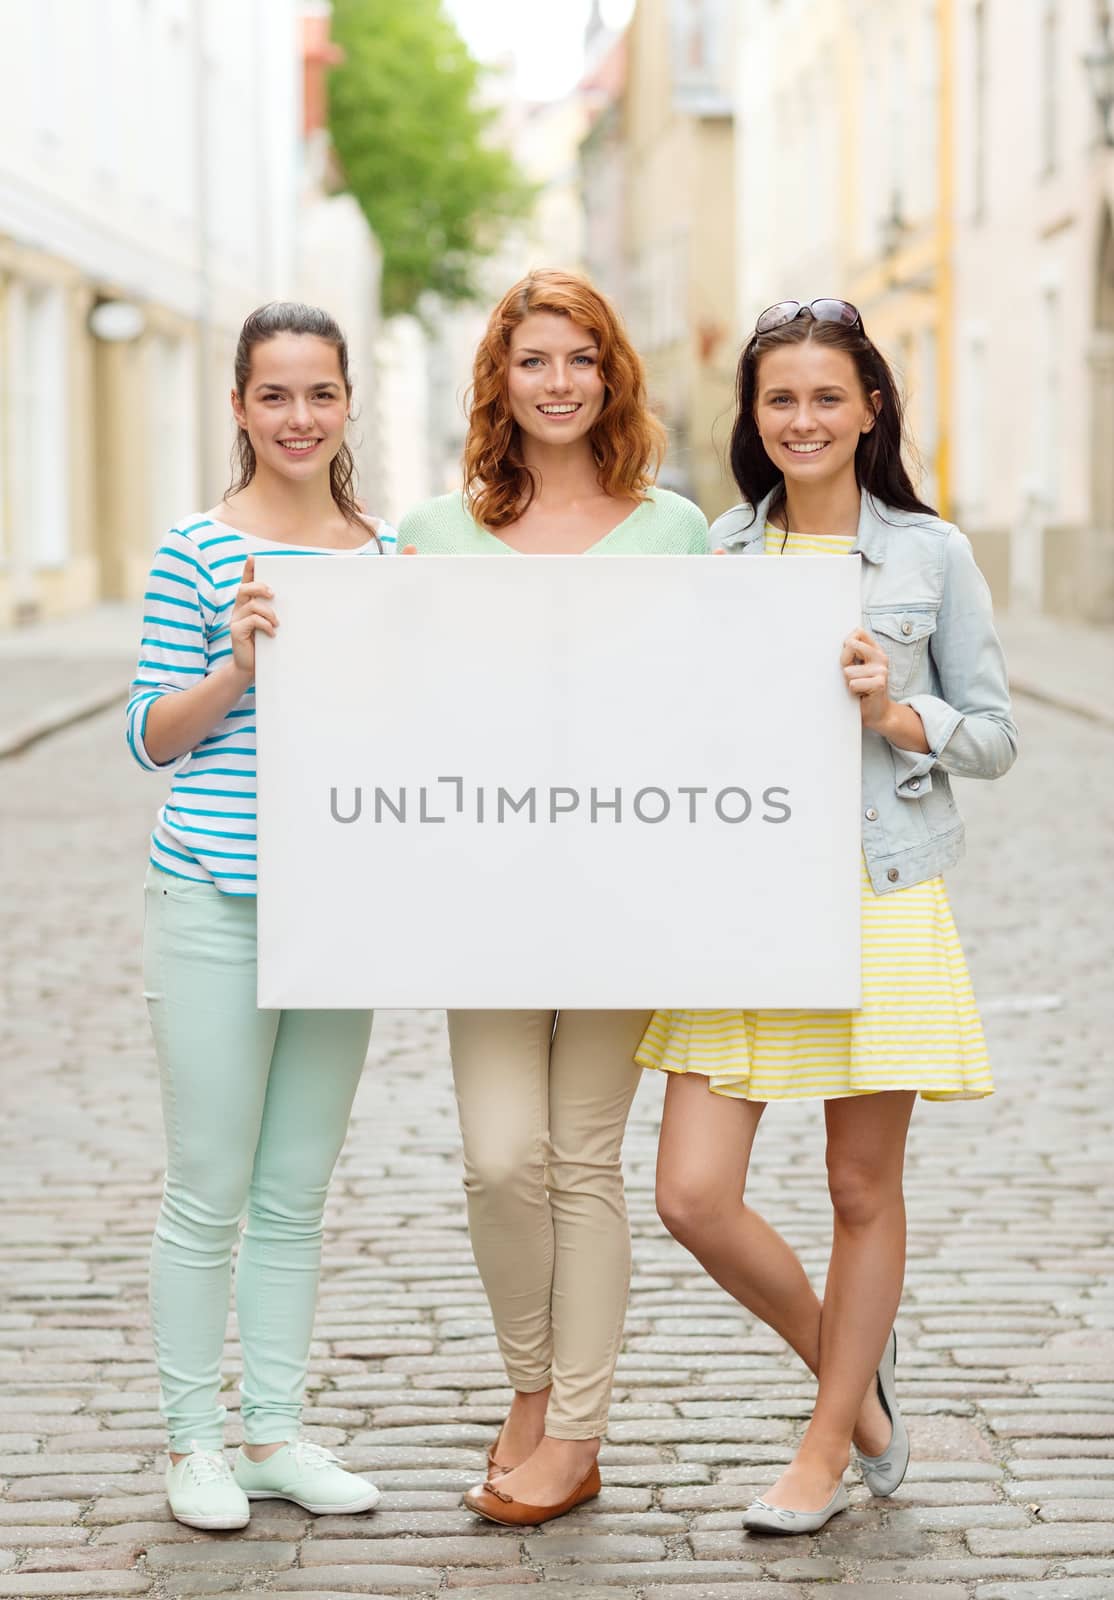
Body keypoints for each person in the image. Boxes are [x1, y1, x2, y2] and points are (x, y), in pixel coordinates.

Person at [638, 297, 1017, 1535]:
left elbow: (998, 736)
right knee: (692, 1194)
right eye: (779, 398)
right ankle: (854, 1389)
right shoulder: (720, 560)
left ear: (868, 411)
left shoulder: (931, 556)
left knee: (861, 1187)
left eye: (826, 397)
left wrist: (895, 710)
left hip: (878, 890)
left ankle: (818, 1451)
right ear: (752, 417)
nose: (802, 419)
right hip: (742, 898)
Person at [399, 269, 708, 1527]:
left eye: (582, 358)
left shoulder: (674, 529)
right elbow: (378, 702)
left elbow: (715, 704)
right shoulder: (431, 532)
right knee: (495, 1159)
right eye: (535, 360)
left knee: (582, 1160)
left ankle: (571, 1428)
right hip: (482, 891)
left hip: (624, 889)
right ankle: (529, 1389)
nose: (561, 382)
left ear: (612, 374)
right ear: (500, 381)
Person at [126, 302, 393, 1531]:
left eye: (319, 393)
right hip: (215, 896)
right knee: (208, 1185)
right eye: (274, 395)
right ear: (239, 407)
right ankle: (194, 1443)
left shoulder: (385, 556)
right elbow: (149, 737)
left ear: (348, 403)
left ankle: (275, 1431)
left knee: (295, 1187)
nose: (298, 417)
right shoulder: (196, 547)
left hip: (338, 903)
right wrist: (235, 663)